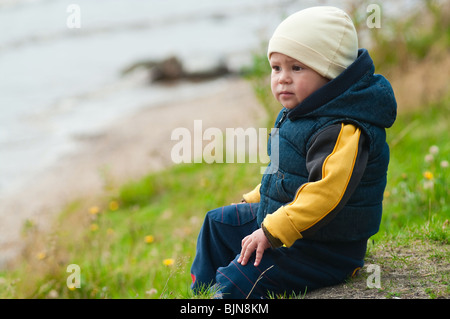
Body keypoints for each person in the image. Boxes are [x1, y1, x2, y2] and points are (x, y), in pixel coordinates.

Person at [190, 6, 397, 299]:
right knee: (218, 223)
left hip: (326, 249)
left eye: (296, 68)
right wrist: (256, 198)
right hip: (292, 228)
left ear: (332, 74)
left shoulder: (343, 128)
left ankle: (225, 292)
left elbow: (325, 194)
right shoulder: (301, 112)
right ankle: (200, 295)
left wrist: (271, 232)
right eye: (276, 68)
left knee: (239, 278)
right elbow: (285, 172)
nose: (282, 78)